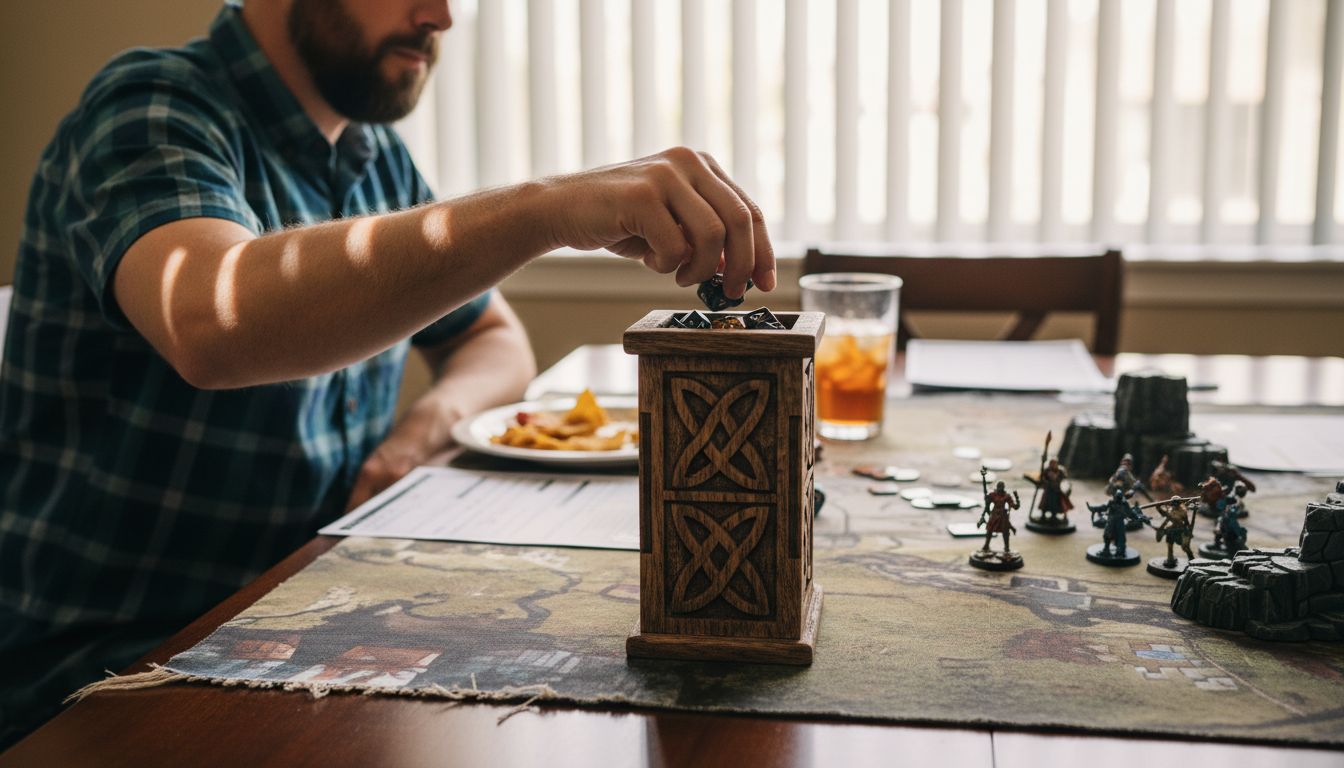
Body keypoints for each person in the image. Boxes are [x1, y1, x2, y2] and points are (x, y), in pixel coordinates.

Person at [0, 0, 776, 746]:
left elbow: (495, 344)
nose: (440, 15)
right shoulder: (150, 104)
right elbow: (210, 321)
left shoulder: (376, 161)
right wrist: (543, 209)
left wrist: (417, 436)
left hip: (298, 626)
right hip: (109, 677)